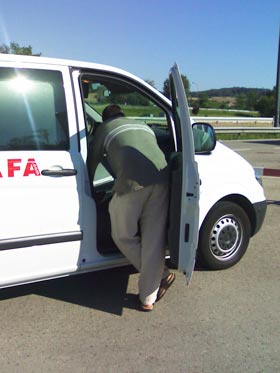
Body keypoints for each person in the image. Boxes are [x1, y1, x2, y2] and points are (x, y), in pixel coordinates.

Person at [88, 104, 175, 311]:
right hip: (162, 180)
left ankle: (161, 274)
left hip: (131, 184)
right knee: (154, 239)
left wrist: (90, 188)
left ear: (105, 119)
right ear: (122, 115)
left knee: (122, 234)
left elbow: (92, 160)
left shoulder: (105, 129)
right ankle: (148, 299)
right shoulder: (142, 125)